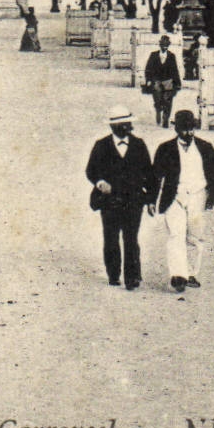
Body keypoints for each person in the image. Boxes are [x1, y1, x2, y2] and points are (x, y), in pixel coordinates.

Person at [148, 110, 214, 293]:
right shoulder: (165, 149)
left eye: (191, 129)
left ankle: (191, 273)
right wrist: (151, 200)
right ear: (176, 128)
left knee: (195, 237)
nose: (189, 133)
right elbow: (155, 177)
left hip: (198, 196)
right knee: (176, 235)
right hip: (174, 197)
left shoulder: (205, 148)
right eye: (184, 129)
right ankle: (178, 276)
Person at [87, 105, 153, 290]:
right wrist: (100, 183)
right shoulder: (102, 145)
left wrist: (149, 200)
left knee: (131, 238)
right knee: (111, 238)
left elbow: (149, 173)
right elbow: (91, 170)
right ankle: (113, 274)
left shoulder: (139, 145)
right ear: (112, 127)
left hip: (134, 200)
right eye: (121, 125)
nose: (126, 128)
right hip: (109, 201)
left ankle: (132, 277)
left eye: (128, 124)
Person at [143, 34, 182, 131]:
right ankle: (158, 110)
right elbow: (148, 68)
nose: (165, 47)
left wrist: (177, 82)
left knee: (168, 100)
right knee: (157, 98)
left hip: (168, 80)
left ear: (168, 45)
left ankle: (166, 118)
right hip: (156, 80)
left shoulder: (171, 56)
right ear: (160, 45)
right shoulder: (154, 55)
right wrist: (148, 80)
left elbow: (175, 70)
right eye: (163, 45)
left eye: (166, 45)